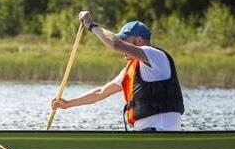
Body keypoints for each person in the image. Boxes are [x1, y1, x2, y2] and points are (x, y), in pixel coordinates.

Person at [50, 11, 184, 131]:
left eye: (125, 41)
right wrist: (67, 104)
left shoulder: (155, 55)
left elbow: (114, 44)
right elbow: (100, 93)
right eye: (122, 41)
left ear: (139, 40)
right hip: (145, 134)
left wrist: (91, 25)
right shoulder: (131, 69)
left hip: (160, 131)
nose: (123, 47)